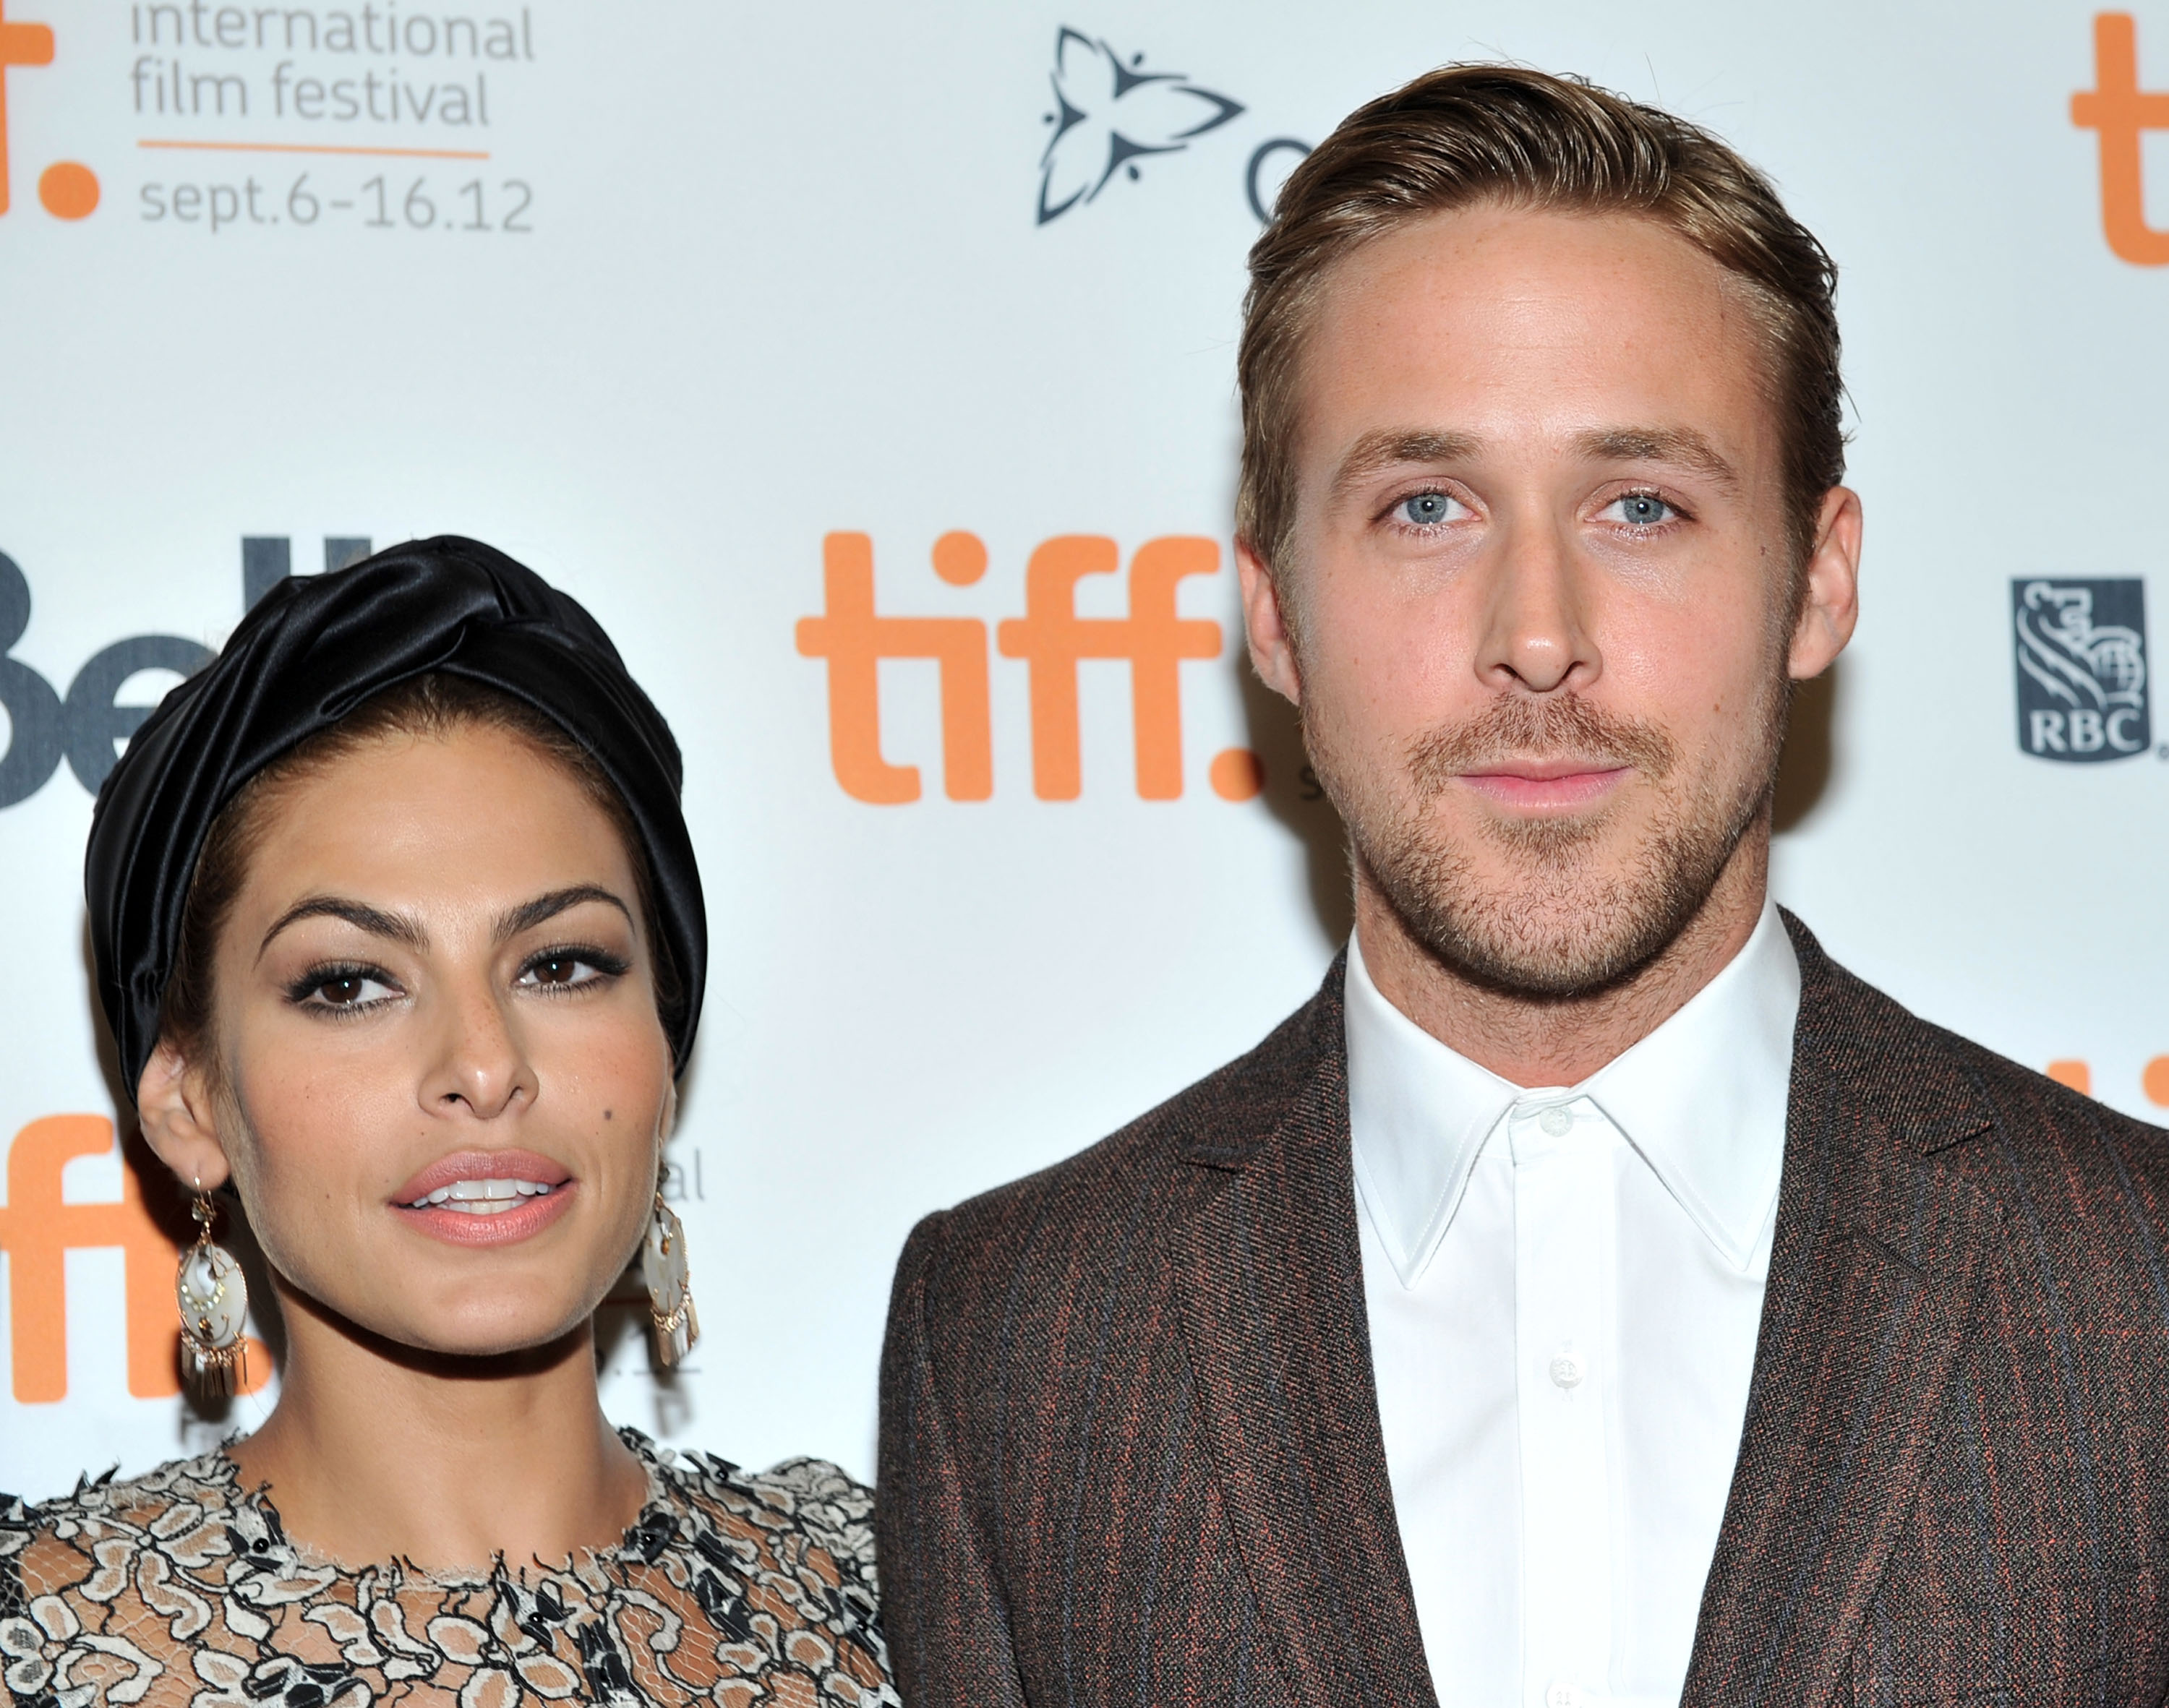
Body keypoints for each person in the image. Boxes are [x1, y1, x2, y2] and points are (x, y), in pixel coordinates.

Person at [876, 64, 2169, 1708]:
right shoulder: (1020, 1340)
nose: (1538, 632)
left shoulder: (2137, 1292)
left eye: (1642, 505)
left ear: (1819, 581)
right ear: (1273, 616)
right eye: (1427, 507)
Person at [1, 539, 895, 1707]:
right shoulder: (38, 1642)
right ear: (188, 1103)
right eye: (349, 984)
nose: (485, 1066)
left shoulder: (904, 1595)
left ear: (664, 1054)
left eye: (562, 965)